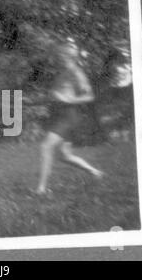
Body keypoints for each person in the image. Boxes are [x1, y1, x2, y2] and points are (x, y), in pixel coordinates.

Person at [36, 41, 104, 195]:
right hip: (59, 115)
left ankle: (41, 189)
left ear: (68, 56)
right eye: (58, 54)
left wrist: (70, 100)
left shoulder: (76, 73)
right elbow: (58, 95)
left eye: (60, 54)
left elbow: (89, 96)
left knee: (45, 147)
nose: (57, 57)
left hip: (68, 115)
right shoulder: (62, 73)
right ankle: (94, 172)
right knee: (65, 156)